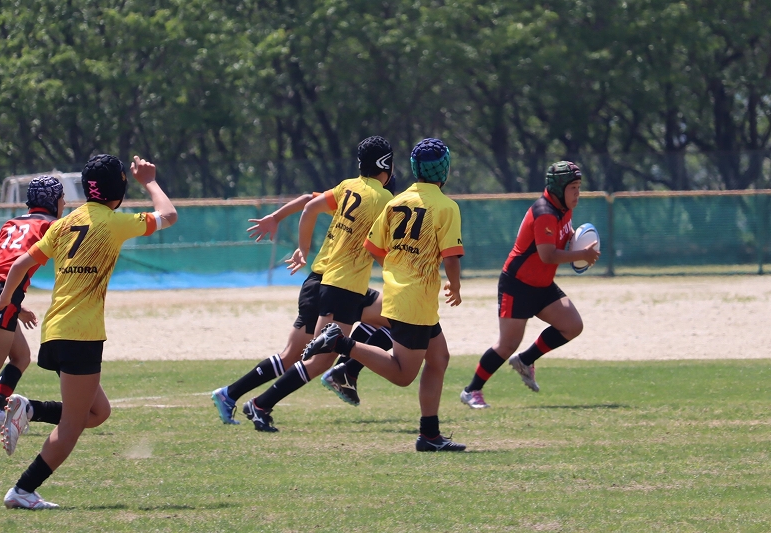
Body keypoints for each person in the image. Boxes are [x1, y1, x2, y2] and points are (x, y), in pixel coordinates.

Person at [0, 154, 177, 510]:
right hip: (81, 334)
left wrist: (5, 300)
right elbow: (169, 215)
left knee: (98, 413)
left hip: (54, 330)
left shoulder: (64, 224)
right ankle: (22, 490)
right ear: (118, 190)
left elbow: (21, 263)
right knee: (72, 425)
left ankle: (29, 409)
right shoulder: (115, 223)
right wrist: (149, 181)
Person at [215, 135, 395, 432]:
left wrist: (301, 246)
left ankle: (229, 393)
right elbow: (380, 247)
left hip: (320, 280)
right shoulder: (384, 200)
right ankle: (262, 404)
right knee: (320, 360)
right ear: (386, 165)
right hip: (341, 286)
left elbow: (308, 205)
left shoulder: (347, 187)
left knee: (294, 356)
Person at [304, 138, 466, 452]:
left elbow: (373, 246)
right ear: (444, 170)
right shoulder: (446, 206)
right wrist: (455, 287)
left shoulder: (397, 201)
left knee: (439, 358)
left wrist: (398, 269)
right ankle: (340, 343)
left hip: (400, 294)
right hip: (417, 300)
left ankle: (429, 436)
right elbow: (451, 257)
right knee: (403, 374)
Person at [458, 160, 600, 409]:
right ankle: (471, 390)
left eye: (579, 187)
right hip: (518, 285)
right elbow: (548, 255)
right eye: (573, 188)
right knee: (507, 344)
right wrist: (582, 255)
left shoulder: (564, 209)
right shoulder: (545, 212)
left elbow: (562, 238)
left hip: (542, 284)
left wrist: (576, 242)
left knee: (572, 326)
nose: (578, 193)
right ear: (559, 189)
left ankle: (525, 360)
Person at [0, 177, 65, 434]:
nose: (64, 203)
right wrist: (7, 300)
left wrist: (15, 305)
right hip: (3, 293)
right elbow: (16, 266)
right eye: (62, 198)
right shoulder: (51, 226)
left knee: (21, 357)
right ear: (52, 201)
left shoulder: (11, 223)